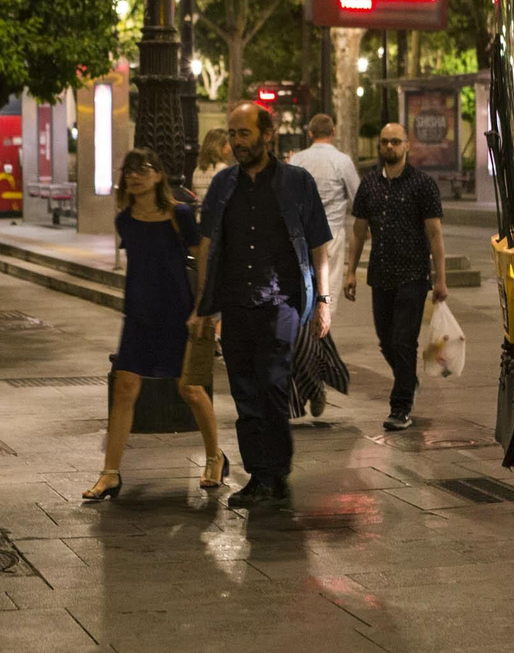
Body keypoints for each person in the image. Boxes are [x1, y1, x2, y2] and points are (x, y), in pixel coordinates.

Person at [189, 103, 332, 506]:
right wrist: (202, 305)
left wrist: (323, 299)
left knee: (270, 386)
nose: (236, 141)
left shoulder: (297, 182)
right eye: (232, 134)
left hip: (281, 302)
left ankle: (274, 472)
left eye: (244, 133)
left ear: (267, 135)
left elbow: (319, 246)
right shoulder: (222, 185)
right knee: (244, 391)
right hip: (235, 303)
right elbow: (207, 246)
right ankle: (261, 474)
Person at [83, 148, 226, 501]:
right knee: (125, 387)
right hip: (139, 316)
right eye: (129, 170)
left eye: (143, 169)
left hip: (177, 313)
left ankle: (215, 457)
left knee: (190, 389)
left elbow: (202, 257)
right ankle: (110, 473)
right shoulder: (125, 220)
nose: (134, 175)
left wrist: (202, 309)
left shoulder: (179, 215)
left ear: (159, 175)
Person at [344, 123, 447, 431]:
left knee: (403, 341)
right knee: (386, 342)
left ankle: (400, 407)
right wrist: (350, 271)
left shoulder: (423, 185)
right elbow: (359, 232)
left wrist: (440, 279)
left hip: (413, 276)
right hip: (380, 275)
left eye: (395, 142)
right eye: (384, 142)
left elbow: (435, 234)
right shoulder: (369, 185)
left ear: (407, 147)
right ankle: (408, 380)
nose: (389, 146)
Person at [287, 113, 360, 416]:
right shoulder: (342, 162)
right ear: (333, 131)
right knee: (323, 311)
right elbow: (359, 199)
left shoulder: (297, 160)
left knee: (307, 312)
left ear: (309, 132)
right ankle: (319, 378)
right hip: (333, 241)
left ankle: (312, 381)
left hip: (299, 242)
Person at [191, 129, 232, 200]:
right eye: (229, 143)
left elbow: (194, 196)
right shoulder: (223, 169)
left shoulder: (197, 170)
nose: (231, 148)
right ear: (220, 146)